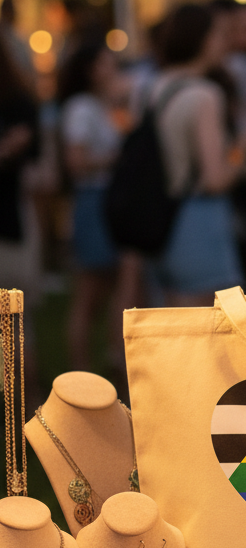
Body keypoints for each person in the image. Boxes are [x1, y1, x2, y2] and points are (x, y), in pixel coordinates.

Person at [149, 3, 245, 307]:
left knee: (175, 326)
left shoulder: (153, 86)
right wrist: (243, 152)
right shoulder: (205, 95)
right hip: (199, 218)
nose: (224, 42)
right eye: (219, 34)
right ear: (202, 39)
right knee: (209, 331)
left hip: (161, 215)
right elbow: (214, 179)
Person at [59, 42, 124, 372]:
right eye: (104, 62)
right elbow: (76, 161)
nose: (112, 68)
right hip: (92, 201)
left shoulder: (103, 105)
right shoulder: (82, 108)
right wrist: (116, 160)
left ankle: (104, 363)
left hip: (105, 200)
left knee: (110, 286)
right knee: (88, 293)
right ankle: (80, 371)